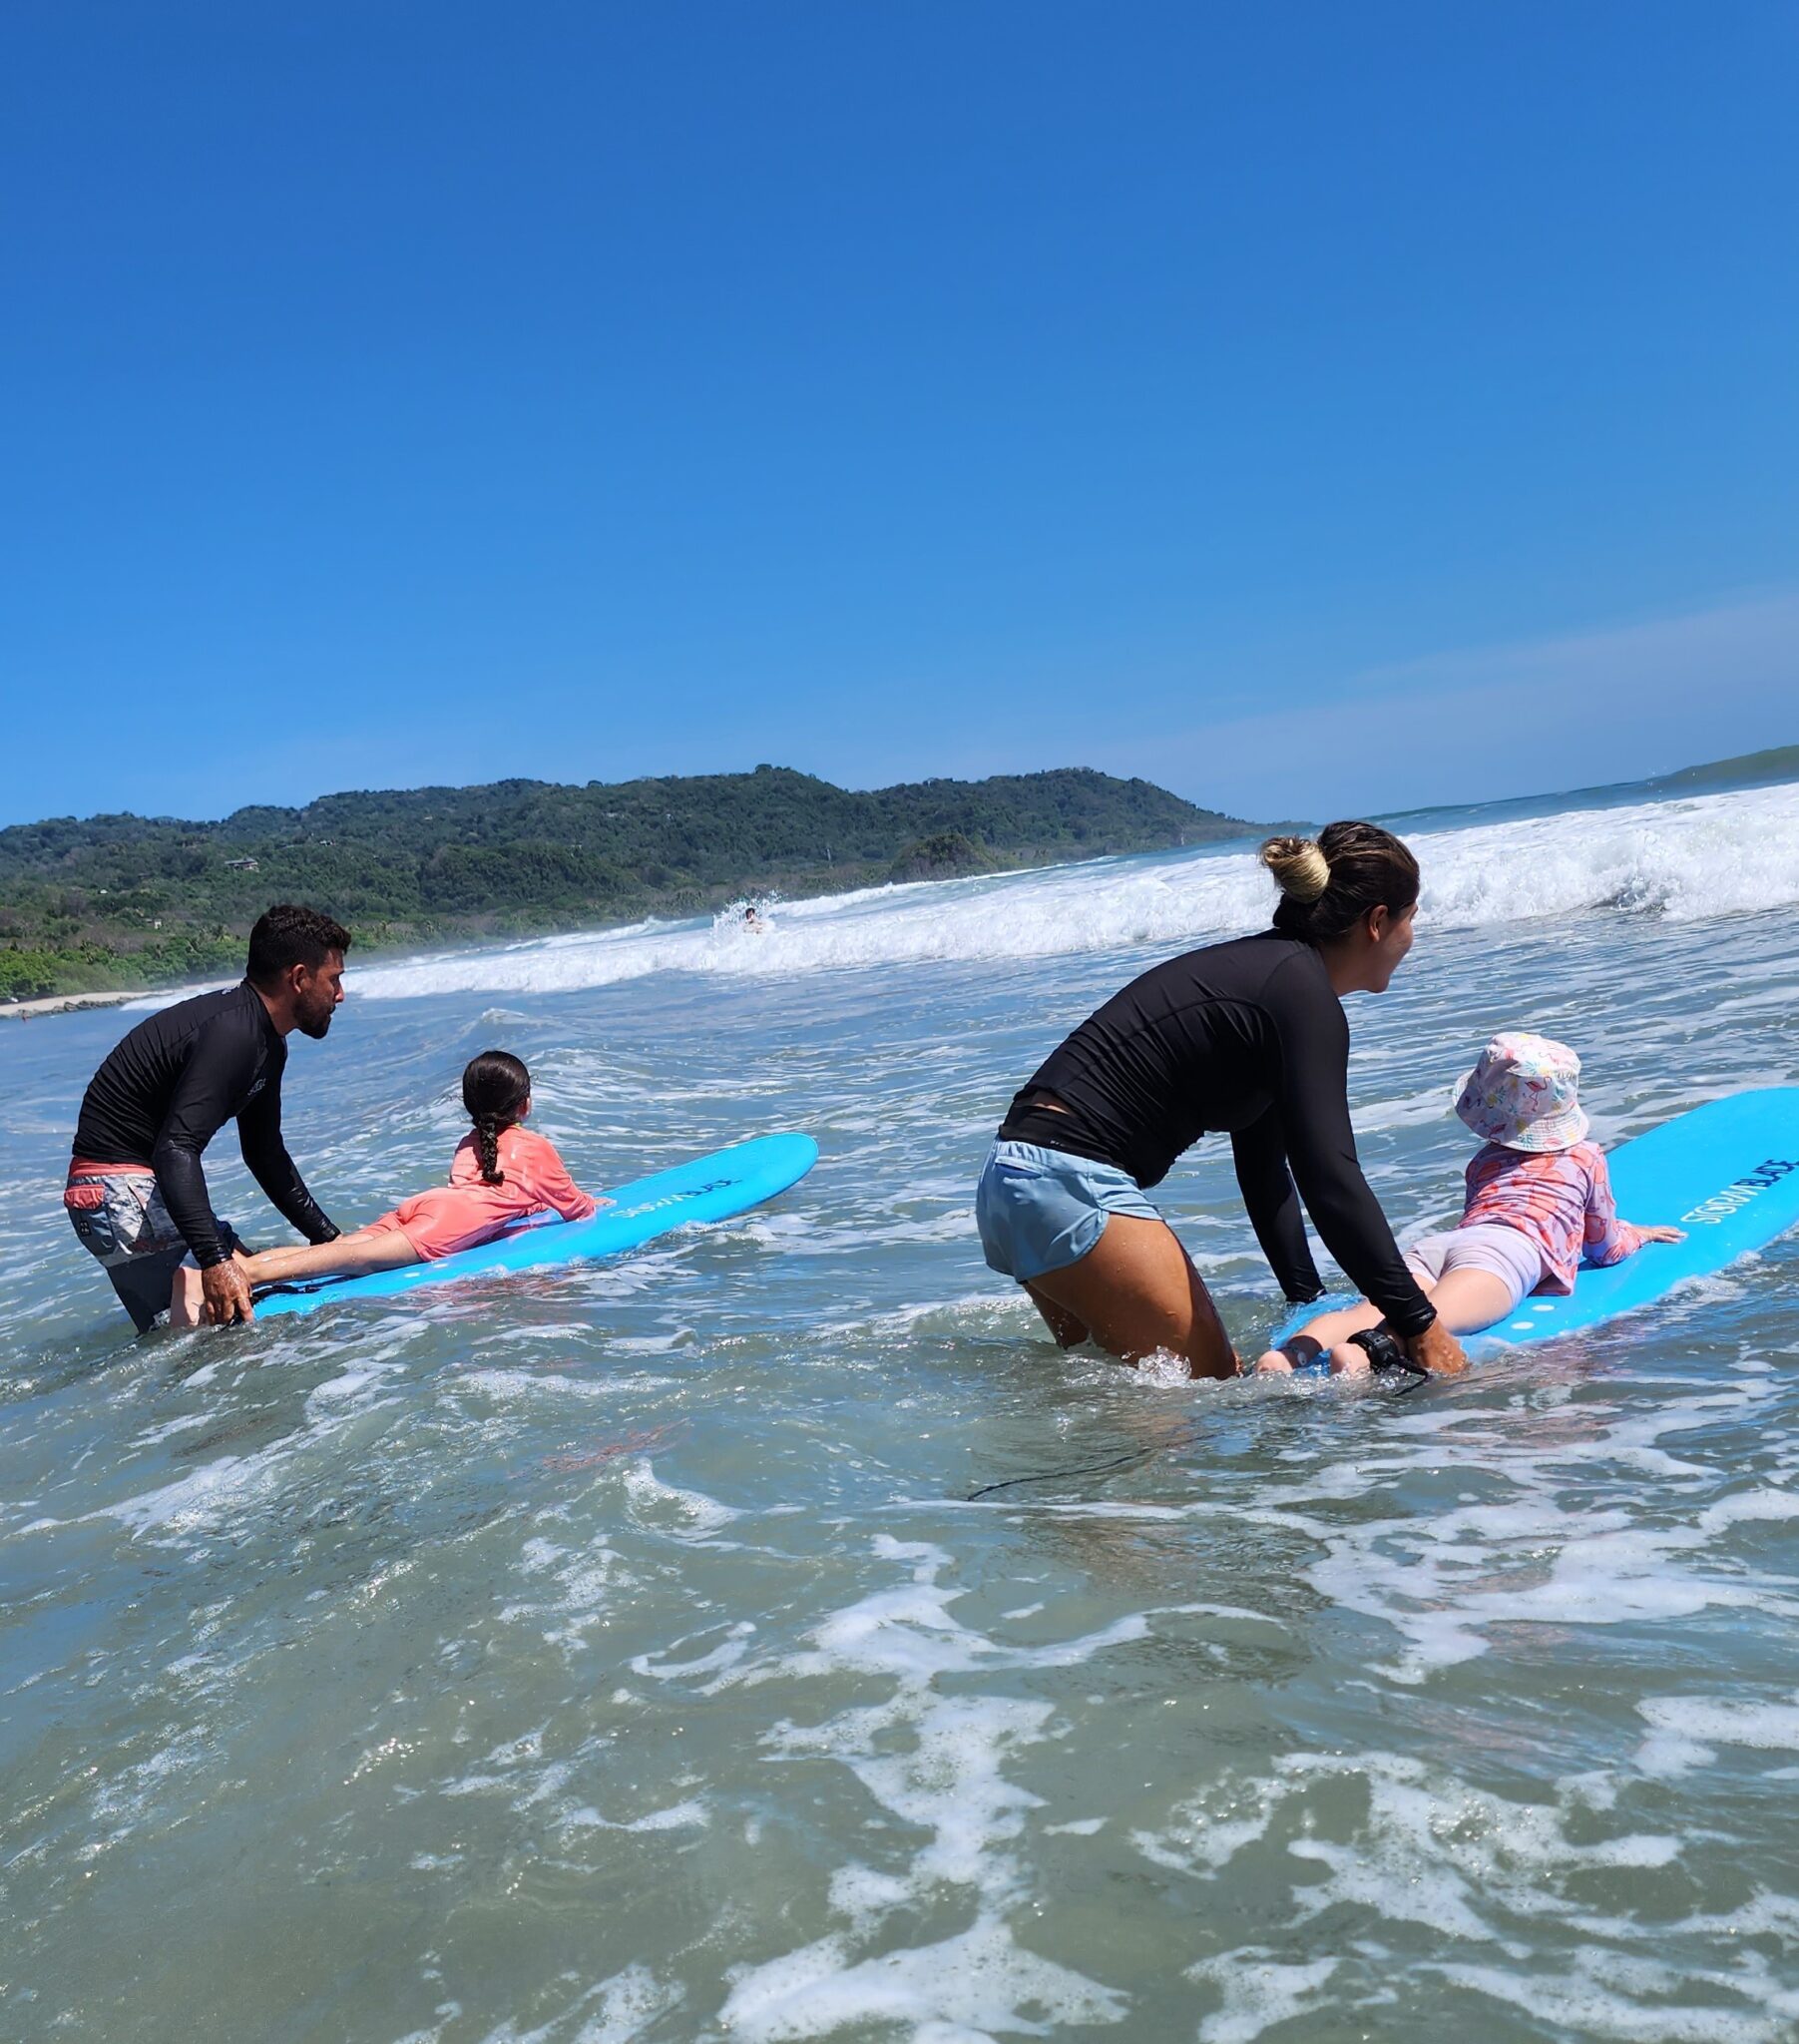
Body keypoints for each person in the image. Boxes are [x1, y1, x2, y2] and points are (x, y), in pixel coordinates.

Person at [975, 821, 1470, 1380]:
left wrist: (1305, 1297)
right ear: (1377, 922)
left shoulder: (1271, 978)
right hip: (1070, 1184)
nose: (1412, 936)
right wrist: (1420, 1323)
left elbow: (1263, 1167)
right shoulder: (1301, 995)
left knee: (1118, 1399)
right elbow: (1331, 1179)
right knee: (1210, 1392)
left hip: (1016, 1186)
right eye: (1411, 918)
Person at [1254, 1032, 1684, 1374]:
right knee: (1426, 1320)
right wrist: (1638, 1234)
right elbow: (1603, 1247)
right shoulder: (1585, 1156)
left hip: (1442, 1247)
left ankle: (1289, 1356)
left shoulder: (1483, 1161)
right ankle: (1362, 1356)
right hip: (1503, 1256)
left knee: (1362, 1311)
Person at [65, 904, 350, 1331]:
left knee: (250, 1298)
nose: (340, 995)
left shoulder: (266, 1043)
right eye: (334, 979)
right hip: (119, 1187)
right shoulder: (234, 1033)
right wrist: (215, 1259)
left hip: (127, 1187)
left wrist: (332, 1240)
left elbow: (265, 1154)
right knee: (225, 1324)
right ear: (298, 978)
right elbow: (176, 1148)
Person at [171, 1050, 604, 1321]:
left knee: (343, 1248)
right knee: (352, 1260)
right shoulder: (535, 1147)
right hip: (446, 1223)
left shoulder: (469, 1142)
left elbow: (477, 1190)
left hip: (428, 1206)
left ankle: (225, 1271)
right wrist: (595, 1206)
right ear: (525, 1104)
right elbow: (574, 1207)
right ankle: (239, 1273)